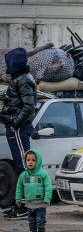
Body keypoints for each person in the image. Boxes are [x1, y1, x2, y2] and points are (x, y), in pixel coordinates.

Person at [2, 48, 37, 221]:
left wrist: (14, 123)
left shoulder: (23, 80)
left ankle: (26, 206)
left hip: (19, 129)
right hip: (16, 129)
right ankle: (21, 205)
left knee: (24, 167)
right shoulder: (20, 79)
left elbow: (29, 107)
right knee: (20, 166)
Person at [15, 149, 51, 232]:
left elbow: (48, 187)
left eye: (33, 160)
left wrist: (47, 199)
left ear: (38, 161)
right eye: (28, 160)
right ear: (25, 161)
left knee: (40, 219)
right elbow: (19, 188)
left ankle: (41, 231)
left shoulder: (43, 174)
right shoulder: (23, 175)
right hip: (29, 203)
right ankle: (32, 231)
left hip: (40, 203)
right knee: (31, 219)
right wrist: (18, 199)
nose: (30, 162)